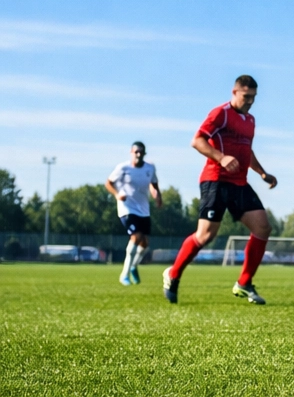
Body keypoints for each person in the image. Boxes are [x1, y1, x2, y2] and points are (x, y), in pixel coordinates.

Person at [162, 75, 277, 305]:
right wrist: (221, 157)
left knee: (262, 227)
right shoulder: (220, 113)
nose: (250, 102)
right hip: (215, 180)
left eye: (254, 97)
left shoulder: (250, 120)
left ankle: (244, 282)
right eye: (246, 96)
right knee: (205, 235)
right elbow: (198, 141)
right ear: (234, 92)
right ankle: (173, 274)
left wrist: (262, 173)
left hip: (239, 183)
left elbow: (247, 150)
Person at [105, 141, 162, 285]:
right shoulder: (123, 168)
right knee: (136, 237)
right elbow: (109, 183)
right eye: (136, 152)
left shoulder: (149, 168)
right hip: (127, 208)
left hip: (143, 209)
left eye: (141, 152)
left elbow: (154, 184)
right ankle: (124, 275)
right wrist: (117, 194)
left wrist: (157, 196)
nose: (138, 154)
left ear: (144, 153)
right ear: (131, 152)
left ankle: (134, 267)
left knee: (145, 243)